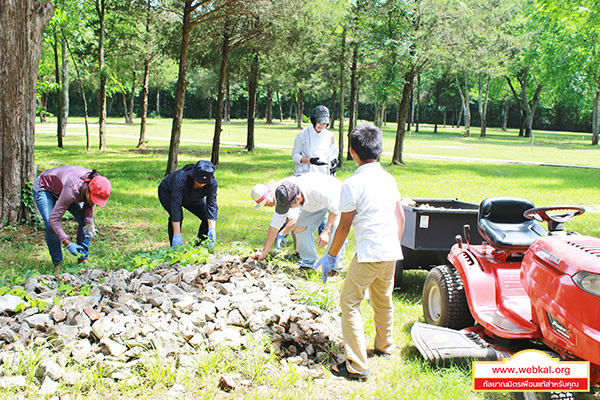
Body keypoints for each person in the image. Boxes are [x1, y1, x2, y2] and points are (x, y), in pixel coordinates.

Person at [315, 123, 405, 380]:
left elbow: (343, 226)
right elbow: (401, 218)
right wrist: (392, 244)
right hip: (391, 251)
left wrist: (331, 256)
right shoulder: (389, 178)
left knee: (349, 302)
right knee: (382, 298)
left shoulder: (352, 183)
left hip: (369, 253)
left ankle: (356, 365)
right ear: (381, 150)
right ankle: (384, 346)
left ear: (352, 152)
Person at [250, 172, 345, 270]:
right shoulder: (283, 193)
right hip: (313, 204)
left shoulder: (318, 191)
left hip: (337, 198)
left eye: (290, 206)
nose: (289, 208)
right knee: (300, 228)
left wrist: (326, 231)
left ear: (298, 199)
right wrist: (264, 251)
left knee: (338, 231)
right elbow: (275, 224)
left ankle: (333, 268)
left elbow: (335, 211)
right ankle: (308, 264)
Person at [33, 166, 112, 273]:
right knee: (50, 225)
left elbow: (89, 205)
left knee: (85, 222)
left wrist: (88, 224)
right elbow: (54, 219)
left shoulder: (96, 183)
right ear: (88, 190)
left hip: (63, 187)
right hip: (45, 187)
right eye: (94, 198)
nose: (94, 202)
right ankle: (57, 264)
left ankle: (82, 258)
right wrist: (67, 243)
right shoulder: (72, 191)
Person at [158, 160, 218, 248]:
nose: (202, 185)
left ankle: (200, 246)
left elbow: (212, 205)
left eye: (205, 183)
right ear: (193, 177)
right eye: (199, 182)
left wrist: (212, 229)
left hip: (192, 195)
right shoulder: (180, 179)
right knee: (178, 215)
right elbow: (176, 206)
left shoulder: (212, 183)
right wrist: (177, 235)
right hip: (168, 192)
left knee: (206, 214)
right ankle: (175, 248)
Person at [292, 105, 339, 177]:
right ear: (313, 121)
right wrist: (309, 160)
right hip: (305, 174)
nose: (321, 125)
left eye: (324, 123)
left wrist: (334, 163)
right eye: (319, 122)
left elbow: (334, 154)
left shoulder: (330, 136)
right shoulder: (302, 135)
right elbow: (295, 155)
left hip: (324, 175)